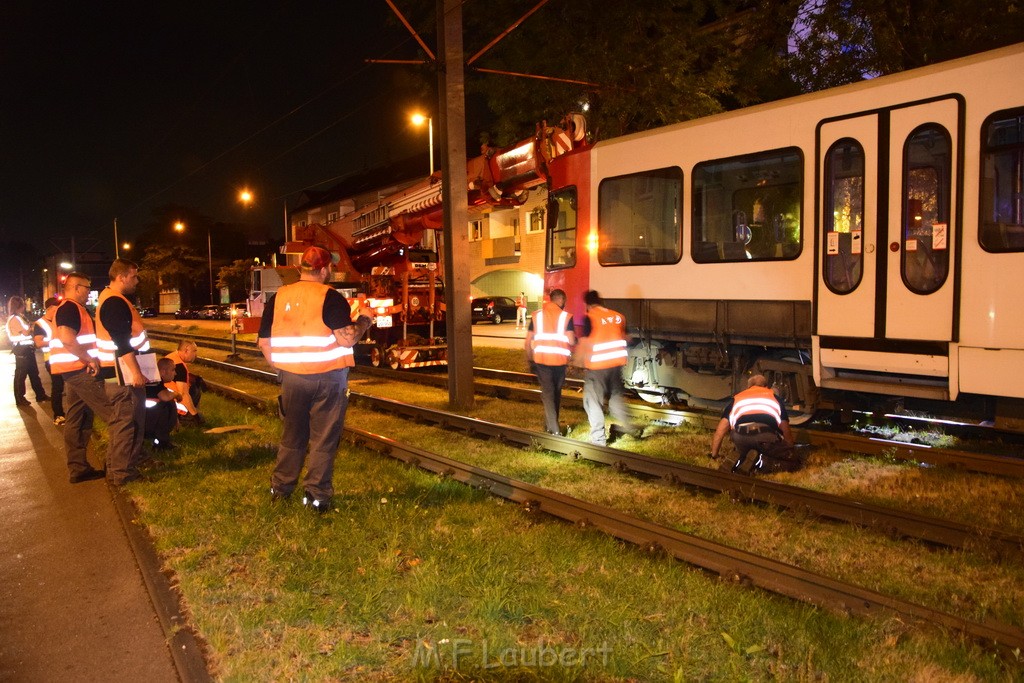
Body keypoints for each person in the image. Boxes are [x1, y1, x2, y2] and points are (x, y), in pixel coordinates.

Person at [257, 246, 374, 513]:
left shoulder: (279, 297)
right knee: (323, 439)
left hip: (292, 379)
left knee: (292, 436)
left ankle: (280, 488)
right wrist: (365, 319)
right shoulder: (329, 297)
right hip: (328, 379)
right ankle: (317, 497)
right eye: (330, 267)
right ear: (324, 270)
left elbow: (264, 342)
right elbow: (346, 337)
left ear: (301, 268)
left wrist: (283, 369)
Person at [95, 258, 152, 485]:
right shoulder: (114, 302)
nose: (136, 281)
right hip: (122, 375)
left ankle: (118, 467)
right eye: (134, 276)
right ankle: (122, 473)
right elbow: (121, 341)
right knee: (126, 423)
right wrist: (136, 372)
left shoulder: (110, 299)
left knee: (124, 422)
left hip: (118, 371)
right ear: (121, 277)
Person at [51, 272, 108, 483]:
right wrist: (88, 359)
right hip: (79, 370)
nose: (89, 292)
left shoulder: (73, 309)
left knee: (78, 418)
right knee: (113, 412)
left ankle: (78, 468)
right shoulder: (70, 308)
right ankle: (126, 462)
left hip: (72, 370)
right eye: (87, 288)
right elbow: (67, 338)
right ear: (76, 287)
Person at [579, 290, 638, 446]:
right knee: (616, 398)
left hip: (598, 367)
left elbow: (584, 343)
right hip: (616, 365)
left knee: (592, 401)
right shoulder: (618, 316)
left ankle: (598, 440)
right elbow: (627, 338)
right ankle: (630, 427)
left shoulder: (590, 318)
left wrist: (577, 362)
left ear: (588, 304)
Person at [709, 374, 795, 472]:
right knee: (786, 463)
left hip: (740, 437)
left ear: (748, 387)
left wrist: (714, 455)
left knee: (744, 452)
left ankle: (738, 460)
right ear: (766, 387)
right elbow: (785, 430)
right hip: (765, 437)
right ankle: (759, 461)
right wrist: (790, 453)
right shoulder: (774, 398)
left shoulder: (737, 399)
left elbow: (720, 431)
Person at [524, 288, 575, 435]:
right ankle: (553, 427)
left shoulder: (536, 316)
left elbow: (528, 342)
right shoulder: (566, 316)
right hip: (560, 362)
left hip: (542, 361)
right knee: (556, 393)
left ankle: (552, 428)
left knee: (548, 394)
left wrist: (529, 360)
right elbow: (571, 340)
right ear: (562, 300)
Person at [6, 295, 49, 407]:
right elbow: (25, 332)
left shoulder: (19, 317)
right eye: (23, 304)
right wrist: (31, 329)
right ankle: (20, 399)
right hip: (21, 350)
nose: (24, 306)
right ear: (18, 305)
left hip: (27, 349)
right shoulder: (14, 319)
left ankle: (40, 395)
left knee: (34, 373)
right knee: (21, 375)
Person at [33, 297, 66, 425]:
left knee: (67, 387)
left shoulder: (58, 321)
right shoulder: (40, 324)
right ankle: (58, 415)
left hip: (65, 359)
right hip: (51, 360)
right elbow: (38, 342)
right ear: (51, 308)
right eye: (58, 308)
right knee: (57, 387)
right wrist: (56, 341)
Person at [164, 339, 204, 424]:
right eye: (194, 351)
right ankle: (185, 417)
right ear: (186, 350)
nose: (195, 355)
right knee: (195, 390)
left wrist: (194, 378)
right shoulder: (180, 367)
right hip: (173, 403)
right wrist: (195, 415)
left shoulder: (172, 357)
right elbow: (183, 395)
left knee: (193, 385)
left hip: (164, 397)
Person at [144, 357, 180, 450]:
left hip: (141, 419)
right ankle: (162, 442)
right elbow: (165, 397)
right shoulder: (156, 381)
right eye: (173, 370)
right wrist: (177, 394)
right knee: (168, 404)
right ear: (163, 372)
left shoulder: (150, 379)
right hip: (147, 422)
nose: (175, 373)